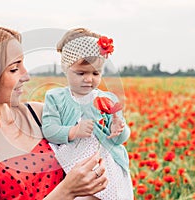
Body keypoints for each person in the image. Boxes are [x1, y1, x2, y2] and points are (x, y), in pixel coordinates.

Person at [0, 25, 108, 200]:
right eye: (14, 69)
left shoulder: (39, 114)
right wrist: (66, 191)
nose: (26, 75)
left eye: (23, 64)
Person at [42, 28, 134, 199]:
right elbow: (49, 130)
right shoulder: (55, 97)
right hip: (74, 167)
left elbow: (118, 141)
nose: (89, 79)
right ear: (65, 68)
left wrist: (119, 129)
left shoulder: (108, 99)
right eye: (81, 73)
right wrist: (74, 131)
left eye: (95, 73)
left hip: (107, 164)